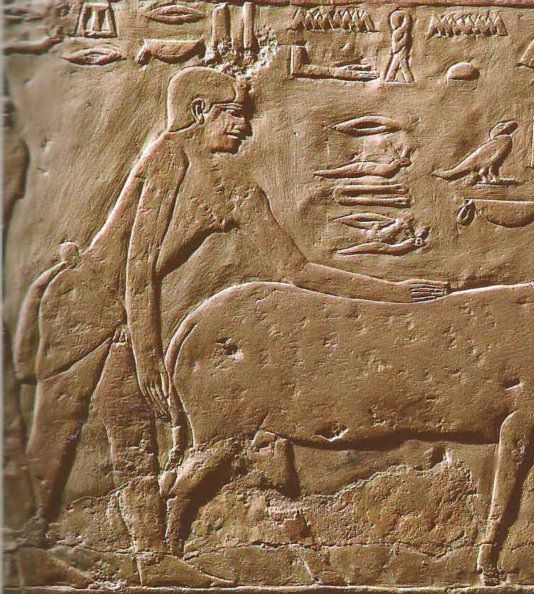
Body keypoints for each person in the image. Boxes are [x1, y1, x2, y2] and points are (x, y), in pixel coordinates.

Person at [13, 66, 447, 586]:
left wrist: (398, 293)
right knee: (58, 430)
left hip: (125, 313)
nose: (244, 126)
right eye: (233, 114)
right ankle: (27, 548)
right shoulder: (169, 155)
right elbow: (137, 265)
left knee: (133, 433)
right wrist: (149, 356)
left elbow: (299, 270)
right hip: (83, 302)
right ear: (199, 112)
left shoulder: (235, 185)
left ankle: (152, 557)